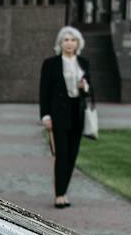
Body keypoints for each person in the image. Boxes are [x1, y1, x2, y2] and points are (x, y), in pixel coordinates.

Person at [39, 25, 94, 209]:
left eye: (73, 40)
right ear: (60, 43)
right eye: (66, 40)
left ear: (78, 43)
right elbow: (44, 92)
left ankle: (64, 190)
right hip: (58, 114)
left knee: (72, 156)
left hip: (77, 114)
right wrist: (45, 116)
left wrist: (84, 87)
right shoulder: (50, 64)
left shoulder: (84, 63)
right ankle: (59, 195)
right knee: (61, 155)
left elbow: (90, 92)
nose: (69, 43)